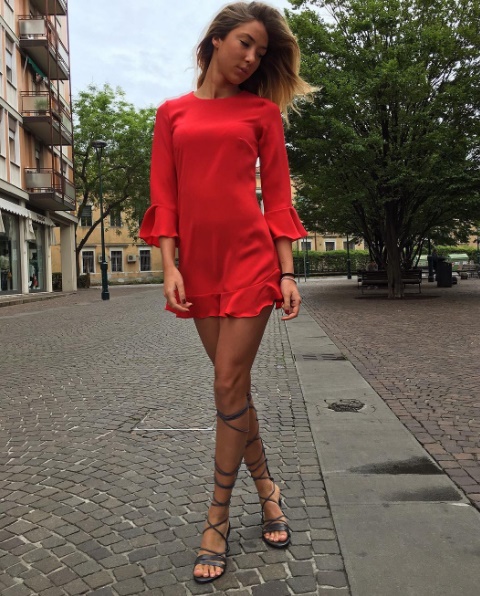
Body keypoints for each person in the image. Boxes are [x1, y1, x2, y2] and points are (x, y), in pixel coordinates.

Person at [139, 1, 314, 584]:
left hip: (250, 261)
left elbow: (278, 197)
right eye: (245, 43)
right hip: (200, 268)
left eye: (261, 51)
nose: (252, 57)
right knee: (233, 388)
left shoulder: (262, 113)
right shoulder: (171, 114)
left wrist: (286, 273)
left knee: (224, 384)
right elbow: (165, 195)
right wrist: (170, 265)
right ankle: (268, 490)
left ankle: (216, 516)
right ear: (216, 40)